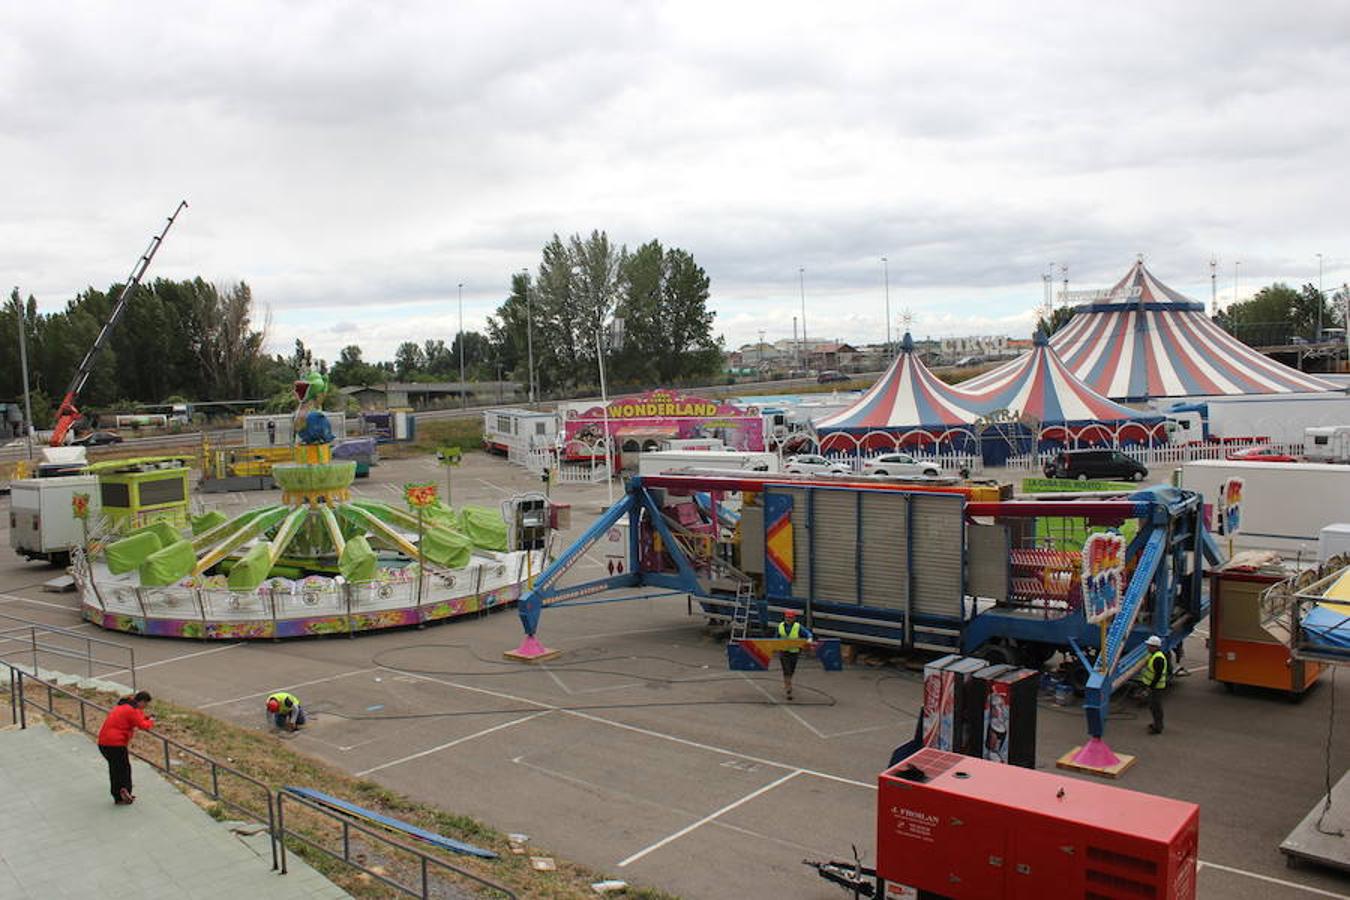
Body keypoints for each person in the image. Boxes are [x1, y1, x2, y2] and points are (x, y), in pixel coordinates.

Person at [96, 691, 155, 805]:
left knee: (115, 769)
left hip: (104, 742)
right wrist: (151, 721)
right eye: (146, 704)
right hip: (115, 744)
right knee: (124, 768)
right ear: (142, 702)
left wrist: (145, 718)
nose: (145, 707)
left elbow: (139, 717)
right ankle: (124, 791)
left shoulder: (123, 706)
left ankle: (118, 794)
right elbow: (143, 725)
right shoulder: (132, 710)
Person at [776, 610, 812, 701]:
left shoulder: (798, 627)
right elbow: (775, 637)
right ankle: (788, 689)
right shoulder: (780, 626)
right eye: (787, 617)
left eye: (790, 617)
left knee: (791, 670)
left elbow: (808, 633)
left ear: (794, 618)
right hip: (783, 652)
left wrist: (809, 639)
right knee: (786, 670)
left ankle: (787, 683)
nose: (788, 619)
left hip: (794, 652)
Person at [1143, 635, 1170, 735]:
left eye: (1149, 646)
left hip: (1156, 688)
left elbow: (1158, 675)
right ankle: (1156, 724)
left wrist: (1150, 687)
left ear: (1155, 647)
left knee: (1156, 708)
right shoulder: (1154, 655)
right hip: (1153, 687)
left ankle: (1158, 727)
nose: (1148, 647)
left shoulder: (1158, 658)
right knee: (1152, 707)